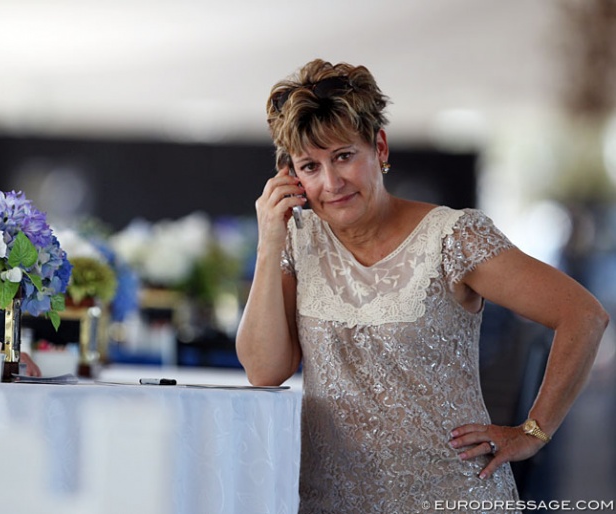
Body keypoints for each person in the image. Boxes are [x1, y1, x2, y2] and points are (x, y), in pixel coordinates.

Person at [235, 59, 609, 513]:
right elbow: (264, 370)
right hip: (330, 499)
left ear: (379, 146)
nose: (331, 183)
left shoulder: (453, 237)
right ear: (290, 175)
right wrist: (269, 241)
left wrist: (534, 431)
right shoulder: (296, 240)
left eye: (344, 156)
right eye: (310, 166)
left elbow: (583, 314)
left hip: (450, 496)